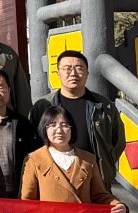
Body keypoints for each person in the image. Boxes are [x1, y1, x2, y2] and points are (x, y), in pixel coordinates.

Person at [37, 50, 123, 180]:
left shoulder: (104, 106)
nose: (73, 73)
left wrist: (106, 164)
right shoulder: (43, 106)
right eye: (67, 68)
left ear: (87, 73)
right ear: (58, 73)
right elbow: (34, 142)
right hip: (55, 179)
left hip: (95, 178)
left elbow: (118, 142)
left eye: (79, 68)